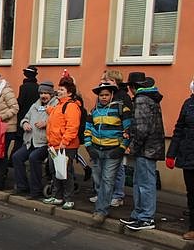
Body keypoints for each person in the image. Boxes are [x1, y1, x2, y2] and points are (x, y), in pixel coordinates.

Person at [120, 72, 165, 231]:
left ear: (133, 87)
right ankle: (138, 215)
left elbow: (142, 128)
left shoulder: (141, 100)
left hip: (146, 149)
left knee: (144, 184)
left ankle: (145, 217)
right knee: (140, 182)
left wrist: (132, 146)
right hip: (150, 148)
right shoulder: (149, 98)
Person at [84, 82, 131, 225]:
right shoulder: (94, 111)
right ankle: (102, 202)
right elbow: (87, 129)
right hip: (96, 150)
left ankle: (101, 211)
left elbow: (128, 131)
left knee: (107, 180)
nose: (104, 97)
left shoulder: (122, 109)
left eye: (106, 95)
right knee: (97, 179)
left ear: (112, 95)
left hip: (113, 151)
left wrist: (121, 148)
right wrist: (89, 147)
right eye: (101, 95)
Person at [12, 81, 55, 199]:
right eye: (41, 93)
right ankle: (22, 186)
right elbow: (25, 118)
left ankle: (36, 190)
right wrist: (25, 123)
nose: (43, 96)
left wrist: (46, 123)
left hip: (44, 143)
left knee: (33, 158)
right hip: (30, 141)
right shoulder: (35, 105)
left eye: (46, 93)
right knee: (16, 157)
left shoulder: (55, 105)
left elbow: (57, 121)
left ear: (51, 94)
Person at [43, 76, 80, 210]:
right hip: (54, 145)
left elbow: (72, 126)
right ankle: (57, 196)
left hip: (65, 146)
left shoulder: (71, 106)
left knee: (65, 173)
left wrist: (64, 142)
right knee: (56, 172)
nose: (59, 91)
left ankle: (68, 199)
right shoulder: (59, 105)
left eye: (62, 89)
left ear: (69, 92)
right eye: (59, 89)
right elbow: (56, 119)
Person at [98, 69, 132, 208]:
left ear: (115, 81)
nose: (105, 83)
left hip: (117, 138)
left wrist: (126, 138)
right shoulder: (107, 95)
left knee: (118, 169)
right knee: (104, 170)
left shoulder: (122, 96)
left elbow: (127, 118)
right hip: (103, 138)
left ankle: (118, 195)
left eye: (108, 80)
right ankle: (105, 195)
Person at [166, 76, 194, 239]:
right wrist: (171, 154)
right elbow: (179, 130)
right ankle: (193, 227)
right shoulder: (188, 104)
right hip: (189, 155)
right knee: (192, 193)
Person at [14, 65, 39, 156]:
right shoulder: (38, 87)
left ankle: (14, 158)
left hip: (23, 115)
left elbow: (20, 102)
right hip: (34, 116)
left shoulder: (23, 87)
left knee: (19, 139)